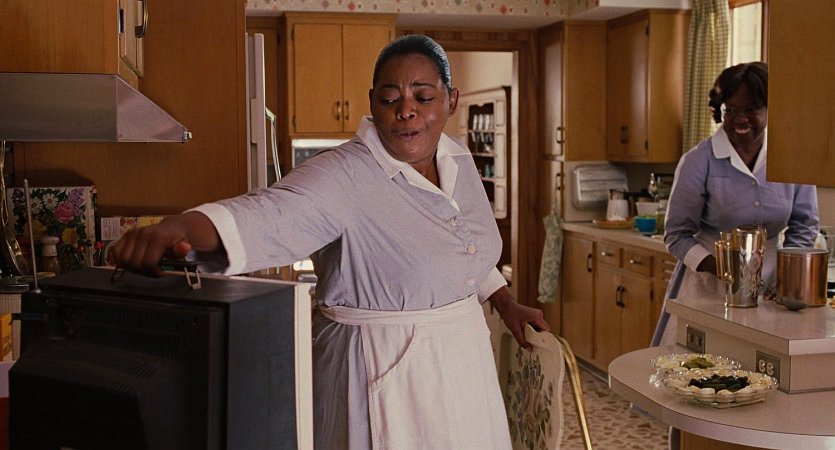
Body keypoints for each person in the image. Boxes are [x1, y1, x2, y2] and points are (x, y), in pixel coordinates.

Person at [111, 34, 548, 449]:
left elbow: (462, 246)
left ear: (451, 101)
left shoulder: (458, 157)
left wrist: (504, 301)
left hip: (465, 360)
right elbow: (269, 215)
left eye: (423, 97)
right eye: (390, 98)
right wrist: (181, 228)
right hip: (385, 369)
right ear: (372, 102)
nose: (406, 111)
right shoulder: (345, 174)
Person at [652, 61, 819, 346]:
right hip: (707, 287)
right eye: (731, 110)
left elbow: (804, 225)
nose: (740, 119)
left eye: (751, 109)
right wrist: (725, 269)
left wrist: (786, 276)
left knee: (757, 364)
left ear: (771, 109)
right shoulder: (698, 161)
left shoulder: (792, 159)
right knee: (699, 366)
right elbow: (677, 234)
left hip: (771, 290)